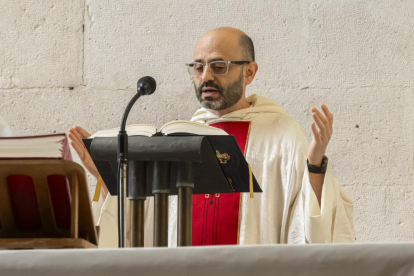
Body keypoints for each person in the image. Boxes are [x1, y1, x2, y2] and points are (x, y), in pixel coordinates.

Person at [69, 27, 355, 247]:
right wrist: (107, 179)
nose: (206, 76)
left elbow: (310, 224)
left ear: (249, 72)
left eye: (219, 66)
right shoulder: (177, 139)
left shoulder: (281, 135)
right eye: (198, 66)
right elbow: (138, 229)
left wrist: (315, 163)